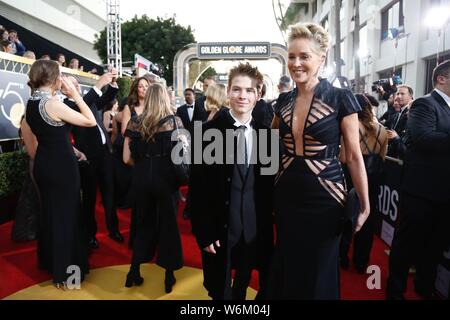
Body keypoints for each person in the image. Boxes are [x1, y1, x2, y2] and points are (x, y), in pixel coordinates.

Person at [267, 22, 370, 300]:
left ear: (320, 58)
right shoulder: (283, 101)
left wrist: (364, 202)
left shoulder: (340, 98)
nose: (296, 63)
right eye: (291, 56)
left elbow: (353, 156)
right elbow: (269, 145)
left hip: (326, 198)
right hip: (287, 194)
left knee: (319, 269)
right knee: (288, 261)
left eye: (304, 56)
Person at [190, 63, 274, 300]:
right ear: (228, 91)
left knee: (245, 282)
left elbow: (269, 190)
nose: (242, 96)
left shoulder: (267, 136)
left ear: (258, 94)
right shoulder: (206, 133)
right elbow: (197, 189)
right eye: (237, 89)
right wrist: (203, 232)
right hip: (220, 229)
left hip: (254, 230)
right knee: (219, 290)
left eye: (248, 90)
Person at [23, 59, 96, 288]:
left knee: (53, 216)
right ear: (54, 77)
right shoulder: (52, 104)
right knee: (66, 218)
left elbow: (52, 136)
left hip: (46, 165)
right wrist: (76, 94)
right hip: (61, 168)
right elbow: (90, 121)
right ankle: (65, 276)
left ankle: (53, 264)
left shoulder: (31, 103)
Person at [387, 60, 450, 300]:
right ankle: (395, 291)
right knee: (406, 245)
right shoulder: (425, 103)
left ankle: (425, 288)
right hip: (420, 191)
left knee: (434, 247)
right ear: (441, 78)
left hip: (443, 193)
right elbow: (424, 138)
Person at [123, 83, 185, 293]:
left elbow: (126, 158)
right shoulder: (173, 122)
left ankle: (133, 271)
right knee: (168, 225)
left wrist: (143, 168)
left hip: (140, 179)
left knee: (142, 223)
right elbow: (181, 156)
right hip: (165, 180)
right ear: (165, 99)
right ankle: (168, 276)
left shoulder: (134, 122)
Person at [68, 72, 123, 249]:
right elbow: (84, 101)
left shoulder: (86, 101)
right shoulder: (66, 105)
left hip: (105, 153)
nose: (76, 87)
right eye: (72, 84)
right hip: (88, 157)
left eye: (77, 84)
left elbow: (105, 99)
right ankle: (90, 235)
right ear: (63, 88)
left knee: (110, 193)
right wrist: (98, 84)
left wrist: (112, 86)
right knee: (90, 198)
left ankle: (113, 229)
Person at [339, 93, 388, 273]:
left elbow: (344, 157)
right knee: (367, 219)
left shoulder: (350, 126)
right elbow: (383, 157)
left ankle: (342, 255)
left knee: (346, 216)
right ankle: (361, 261)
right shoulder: (382, 129)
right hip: (374, 177)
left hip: (352, 175)